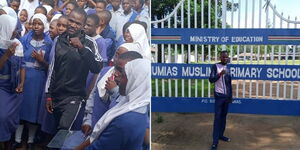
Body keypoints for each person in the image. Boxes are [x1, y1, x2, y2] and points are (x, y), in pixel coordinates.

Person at [75, 52, 150, 150]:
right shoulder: (129, 104)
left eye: (123, 75)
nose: (116, 75)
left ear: (134, 80)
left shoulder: (127, 120)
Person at [45, 8, 102, 132]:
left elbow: (97, 67)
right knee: (57, 130)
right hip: (56, 95)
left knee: (64, 129)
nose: (73, 25)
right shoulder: (59, 39)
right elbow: (53, 69)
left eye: (77, 23)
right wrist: (49, 95)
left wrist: (81, 48)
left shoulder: (90, 43)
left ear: (83, 26)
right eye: (71, 21)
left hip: (74, 97)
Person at [14, 13, 52, 150]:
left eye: (39, 23)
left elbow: (52, 66)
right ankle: (18, 140)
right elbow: (18, 60)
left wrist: (42, 62)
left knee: (34, 110)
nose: (36, 26)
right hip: (25, 77)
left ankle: (30, 140)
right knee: (21, 108)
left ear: (44, 25)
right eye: (34, 23)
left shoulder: (50, 43)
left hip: (39, 80)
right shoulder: (24, 40)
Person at [0, 14, 24, 150]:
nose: (17, 31)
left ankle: (8, 142)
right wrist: (7, 55)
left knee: (11, 119)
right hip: (2, 88)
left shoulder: (17, 43)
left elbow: (22, 66)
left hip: (14, 89)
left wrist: (21, 83)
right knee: (3, 116)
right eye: (14, 28)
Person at [208, 51, 233, 150]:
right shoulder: (215, 66)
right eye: (224, 57)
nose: (225, 59)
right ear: (220, 57)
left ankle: (221, 135)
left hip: (226, 97)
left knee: (223, 117)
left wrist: (230, 96)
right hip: (219, 97)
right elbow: (211, 79)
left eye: (227, 57)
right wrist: (220, 74)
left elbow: (229, 83)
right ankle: (215, 142)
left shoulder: (228, 67)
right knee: (217, 119)